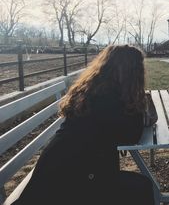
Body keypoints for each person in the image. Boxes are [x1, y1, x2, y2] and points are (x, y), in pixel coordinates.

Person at [12, 45, 155, 205]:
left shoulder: (94, 90)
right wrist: (140, 103)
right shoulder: (108, 100)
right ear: (131, 73)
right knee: (142, 188)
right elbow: (132, 135)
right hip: (67, 184)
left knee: (139, 186)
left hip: (57, 172)